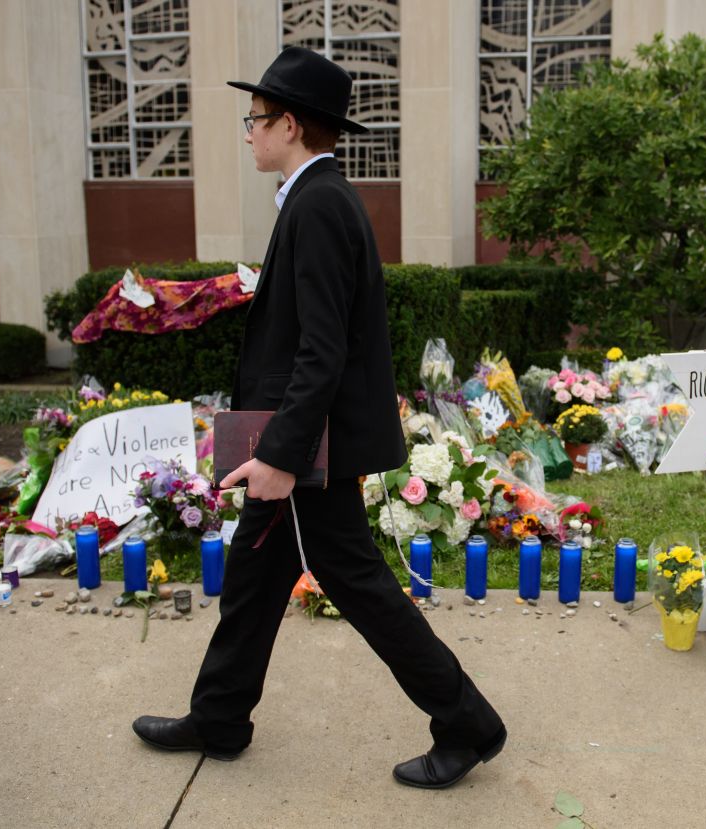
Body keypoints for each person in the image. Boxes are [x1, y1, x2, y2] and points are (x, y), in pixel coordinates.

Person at [131, 47, 506, 790]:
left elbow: (322, 350)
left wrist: (278, 451)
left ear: (291, 125)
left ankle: (467, 722)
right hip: (305, 443)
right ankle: (220, 716)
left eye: (255, 119)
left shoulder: (320, 205)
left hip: (307, 449)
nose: (248, 133)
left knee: (357, 581)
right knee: (254, 576)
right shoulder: (313, 200)